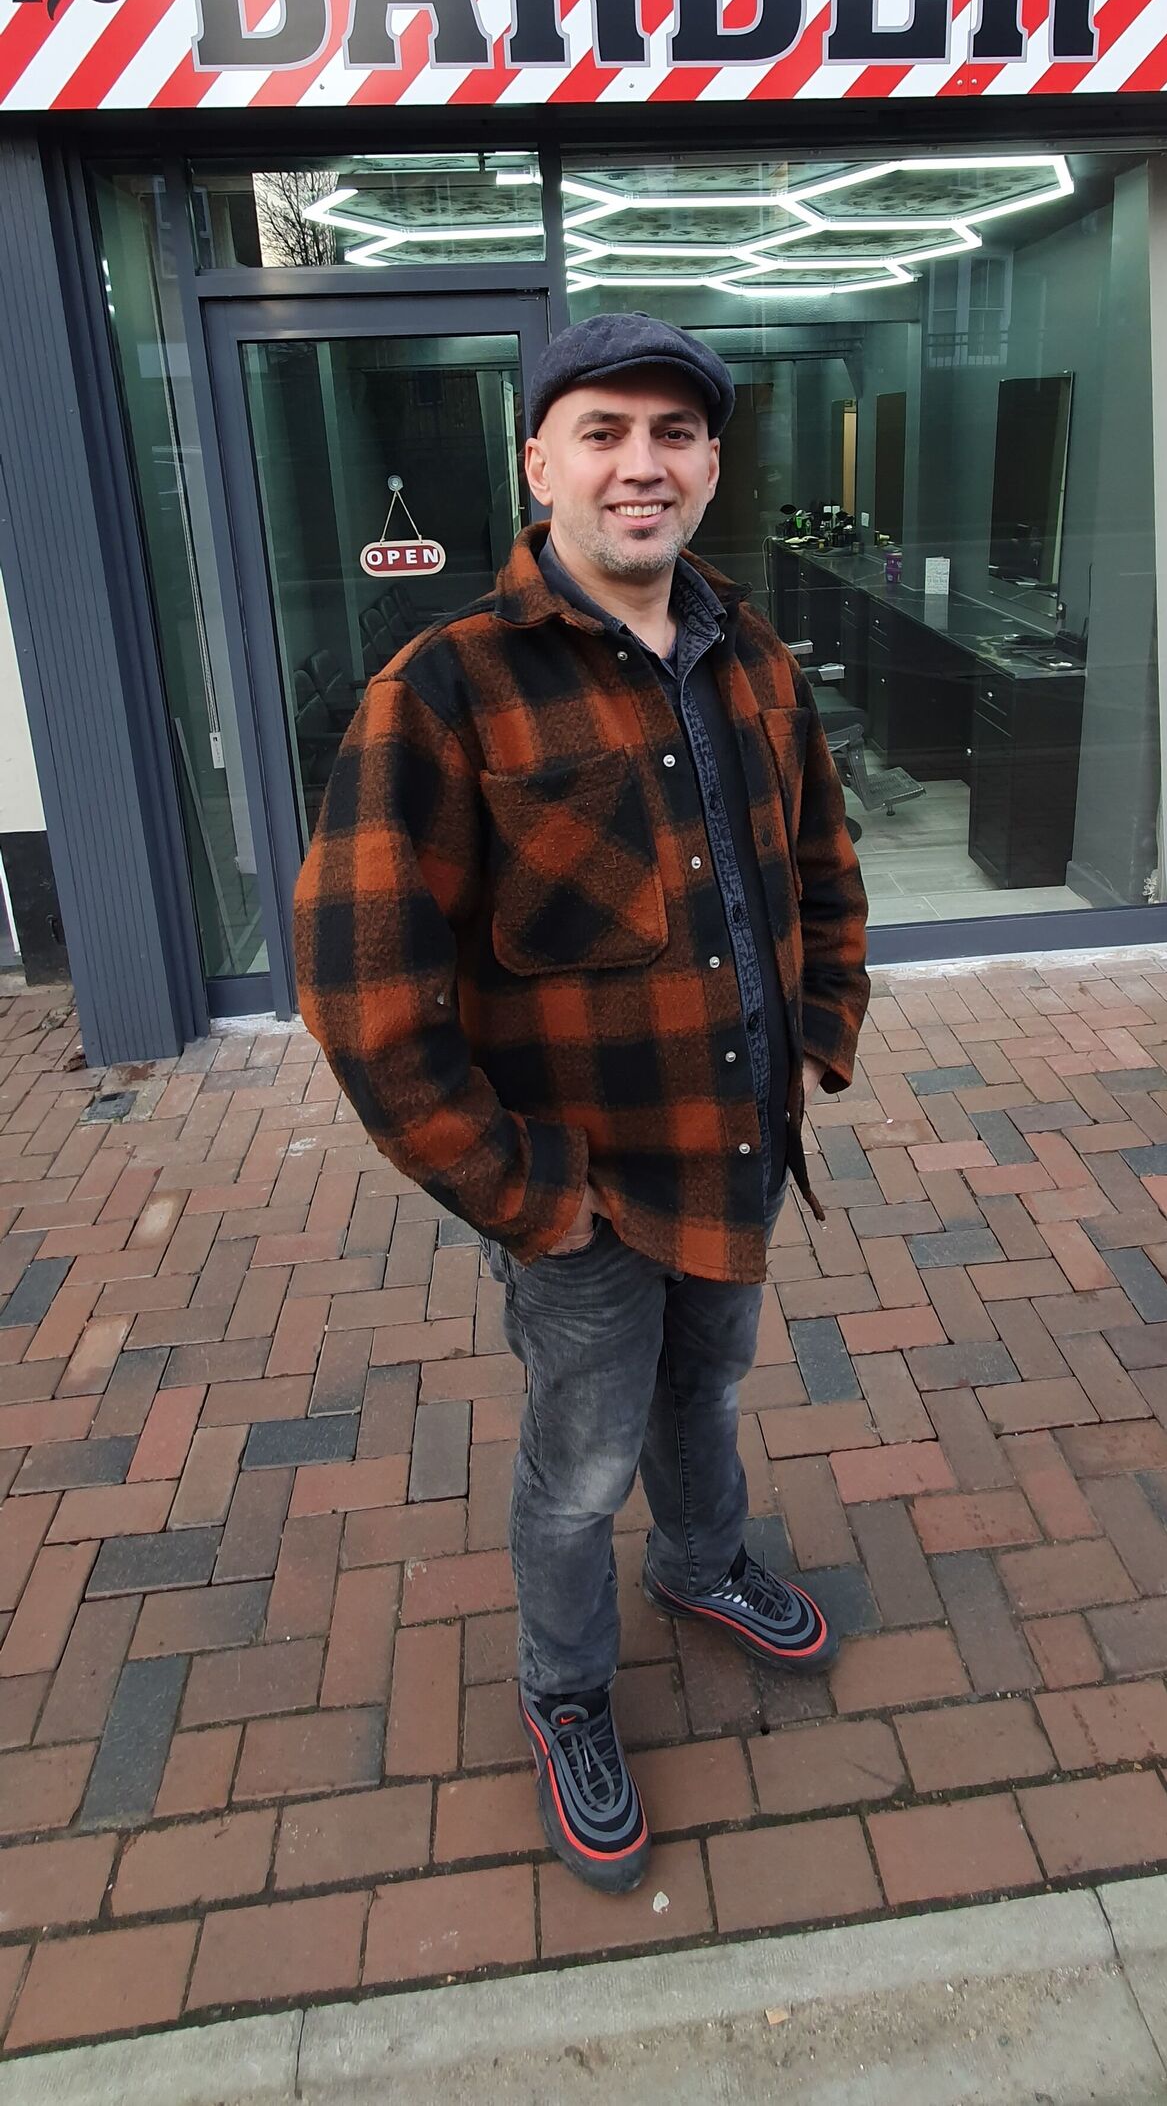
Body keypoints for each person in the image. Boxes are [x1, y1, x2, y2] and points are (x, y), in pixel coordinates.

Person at [295, 312, 870, 1895]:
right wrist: (525, 1193)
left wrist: (817, 1032)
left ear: (710, 466)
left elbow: (822, 865)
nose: (641, 465)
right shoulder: (444, 691)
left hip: (735, 1153)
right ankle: (564, 1691)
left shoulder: (752, 655)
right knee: (582, 1466)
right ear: (537, 461)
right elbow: (362, 993)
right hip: (583, 1200)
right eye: (603, 431)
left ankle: (701, 1566)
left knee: (708, 1395)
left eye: (674, 434)